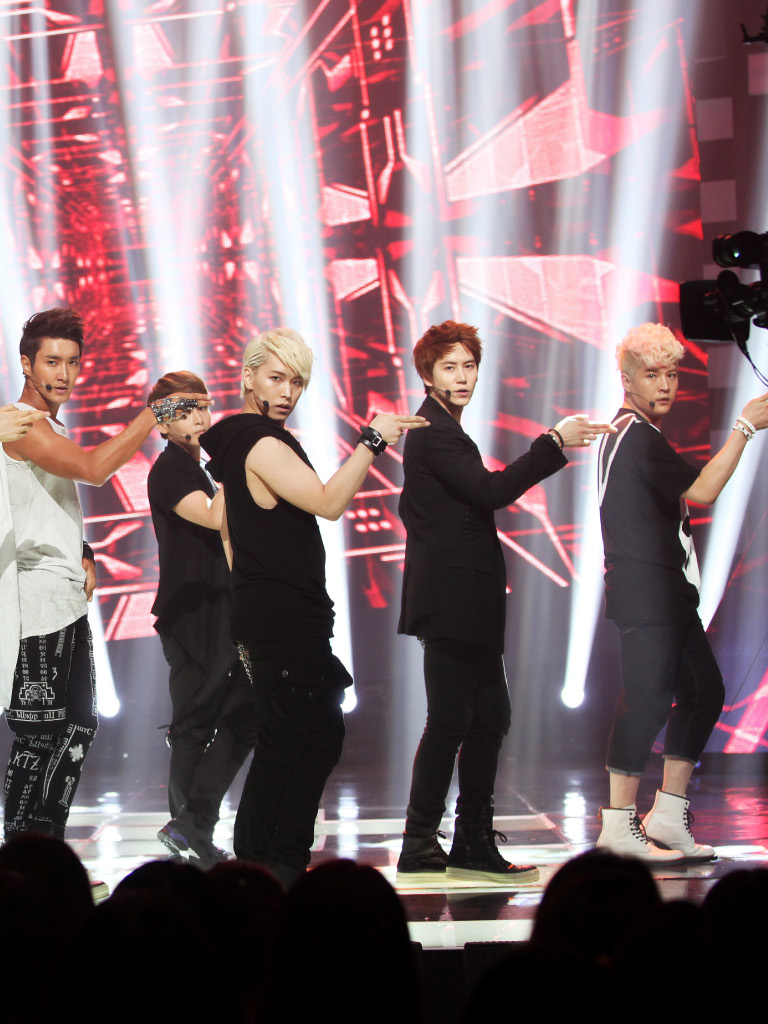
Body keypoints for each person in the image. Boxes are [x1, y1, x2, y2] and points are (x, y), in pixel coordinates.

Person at [201, 327, 427, 887]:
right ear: (249, 377)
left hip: (277, 610)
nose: (287, 392)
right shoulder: (260, 442)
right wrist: (371, 442)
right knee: (287, 739)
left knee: (318, 733)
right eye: (276, 378)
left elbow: (230, 533)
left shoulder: (239, 443)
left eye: (297, 382)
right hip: (280, 615)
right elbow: (329, 502)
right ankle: (260, 864)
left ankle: (280, 856)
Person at [396, 320, 614, 883]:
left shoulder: (442, 429)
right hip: (453, 600)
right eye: (450, 367)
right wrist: (553, 442)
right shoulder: (433, 431)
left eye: (469, 366)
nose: (462, 377)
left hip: (464, 599)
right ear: (427, 375)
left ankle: (467, 838)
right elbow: (491, 491)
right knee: (453, 719)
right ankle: (423, 840)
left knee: (488, 716)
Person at [1, 307, 209, 843]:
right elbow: (93, 470)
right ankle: (20, 859)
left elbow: (37, 505)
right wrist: (151, 416)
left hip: (64, 594)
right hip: (33, 603)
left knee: (77, 727)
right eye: (52, 361)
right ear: (26, 364)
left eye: (72, 362)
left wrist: (84, 548)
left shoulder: (50, 426)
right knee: (39, 733)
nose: (64, 374)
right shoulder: (20, 423)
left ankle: (47, 853)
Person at [596, 322, 768, 861]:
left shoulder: (634, 433)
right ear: (627, 380)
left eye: (671, 373)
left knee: (703, 692)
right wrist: (745, 426)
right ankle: (618, 824)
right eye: (652, 375)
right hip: (647, 591)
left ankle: (668, 815)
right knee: (645, 699)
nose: (666, 384)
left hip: (665, 591)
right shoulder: (635, 436)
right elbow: (705, 490)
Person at [147, 371, 257, 868]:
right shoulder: (169, 470)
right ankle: (190, 833)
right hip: (191, 612)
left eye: (203, 407)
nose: (198, 418)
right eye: (184, 410)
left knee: (244, 715)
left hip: (222, 607)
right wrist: (234, 465)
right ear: (162, 424)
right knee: (194, 725)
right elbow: (213, 517)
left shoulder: (202, 469)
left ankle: (192, 825)